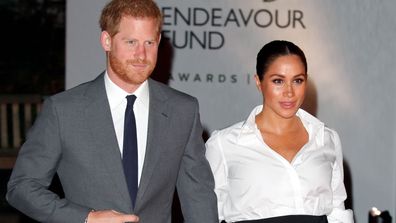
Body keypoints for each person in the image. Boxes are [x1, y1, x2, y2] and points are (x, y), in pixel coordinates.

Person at [6, 0, 218, 222]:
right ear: (107, 41)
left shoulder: (182, 110)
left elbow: (198, 196)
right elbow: (22, 187)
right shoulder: (63, 110)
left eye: (149, 42)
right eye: (131, 42)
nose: (142, 55)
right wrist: (87, 218)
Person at [205, 40, 354, 223]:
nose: (289, 92)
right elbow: (206, 215)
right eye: (278, 81)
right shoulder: (224, 144)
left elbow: (337, 211)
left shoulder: (326, 138)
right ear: (259, 82)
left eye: (297, 80)